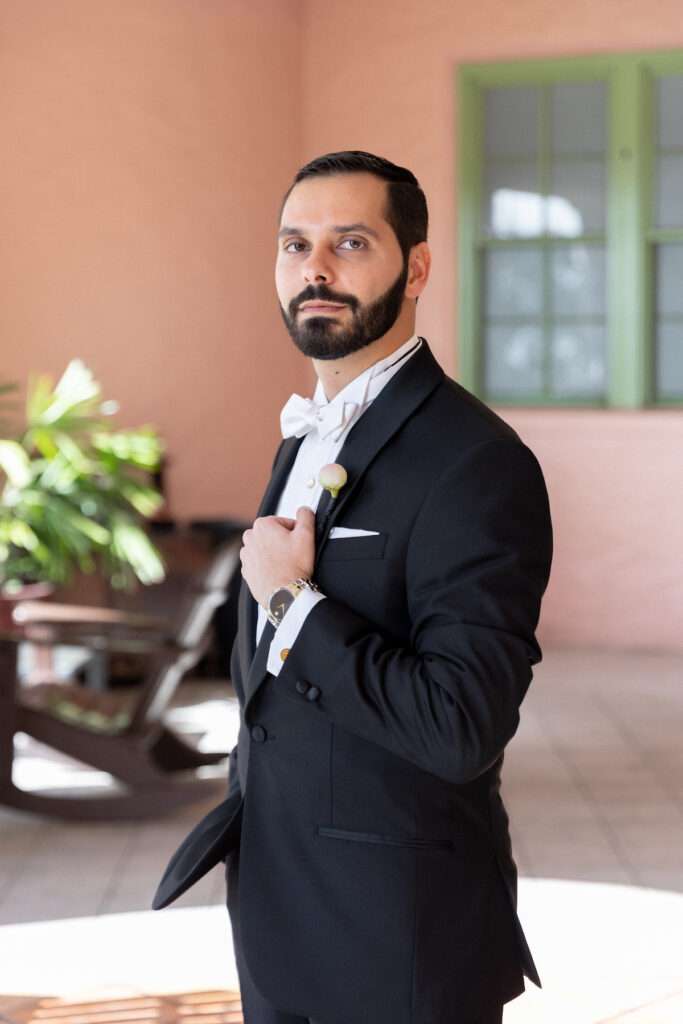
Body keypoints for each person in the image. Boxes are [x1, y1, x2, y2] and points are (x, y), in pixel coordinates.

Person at [154, 151, 553, 1024]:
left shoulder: (477, 464)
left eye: (350, 243)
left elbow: (459, 725)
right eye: (295, 245)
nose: (316, 270)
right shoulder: (303, 440)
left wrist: (295, 606)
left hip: (398, 935)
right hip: (278, 908)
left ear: (415, 267)